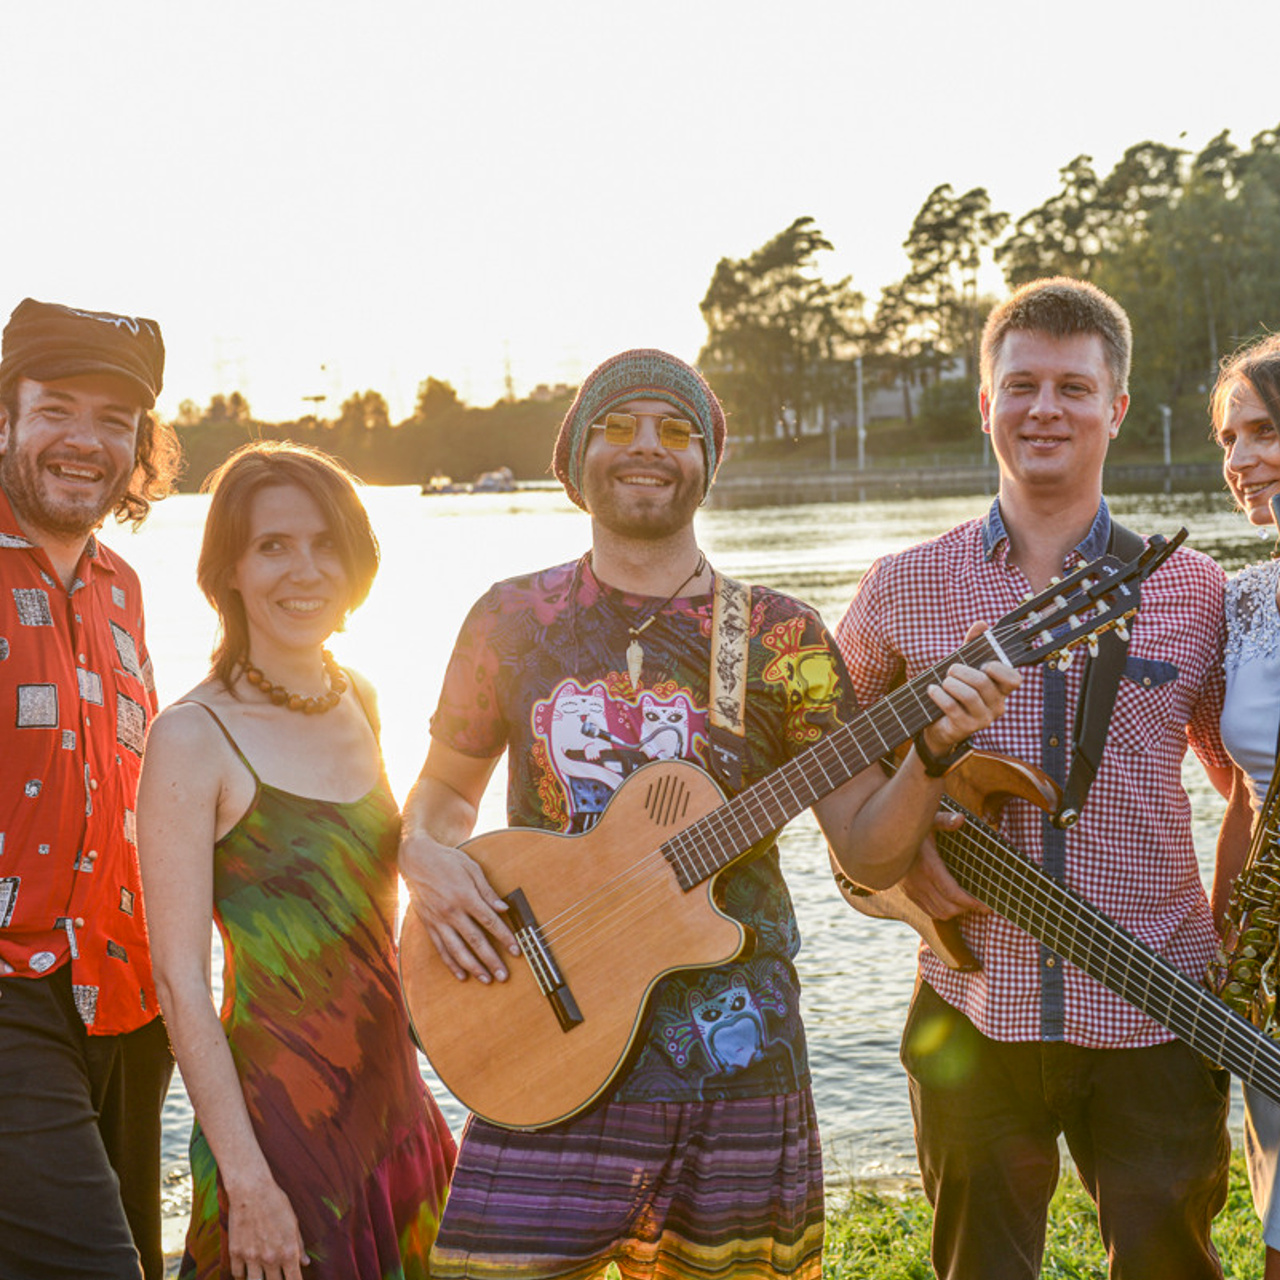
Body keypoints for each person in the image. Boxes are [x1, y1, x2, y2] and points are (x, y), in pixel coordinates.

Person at [398, 347, 1018, 1279]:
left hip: (739, 1063)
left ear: (706, 463)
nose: (647, 446)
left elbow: (869, 855)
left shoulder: (782, 637)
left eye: (676, 430)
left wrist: (931, 755)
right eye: (619, 425)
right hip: (543, 1044)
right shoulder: (510, 618)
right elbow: (445, 793)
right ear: (575, 458)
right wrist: (425, 853)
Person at [835, 277, 1236, 1280]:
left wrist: (1243, 935)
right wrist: (898, 870)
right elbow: (827, 771)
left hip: (1155, 1001)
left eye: (1072, 387)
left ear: (1117, 407)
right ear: (986, 404)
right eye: (1020, 386)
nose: (1044, 409)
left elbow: (1249, 785)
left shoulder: (1195, 589)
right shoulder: (900, 586)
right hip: (972, 1000)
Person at [136, 442, 456, 1280]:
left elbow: (377, 922)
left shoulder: (362, 698)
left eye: (325, 544)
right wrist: (248, 1183)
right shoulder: (191, 737)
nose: (305, 570)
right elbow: (179, 982)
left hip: (397, 1115)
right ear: (230, 571)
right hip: (281, 1128)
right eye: (272, 545)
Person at [0, 298, 179, 1280]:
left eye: (114, 420)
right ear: (5, 418)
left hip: (123, 992)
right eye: (56, 409)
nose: (85, 440)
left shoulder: (123, 586)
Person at [1208, 332, 1280, 1280]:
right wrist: (1224, 937)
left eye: (1263, 431)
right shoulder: (1245, 602)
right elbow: (1241, 798)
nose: (1240, 460)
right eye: (1230, 439)